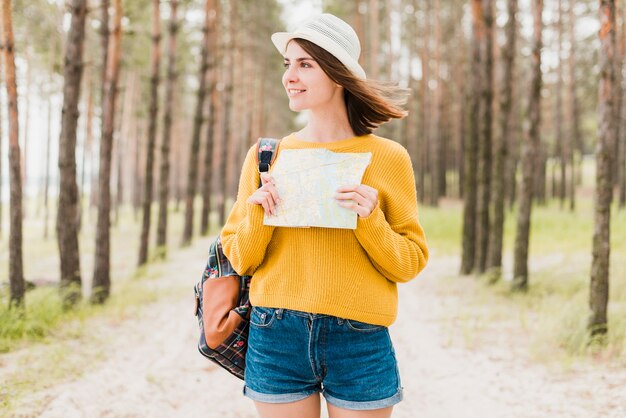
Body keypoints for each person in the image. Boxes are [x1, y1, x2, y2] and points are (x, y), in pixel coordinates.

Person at [221, 13, 428, 418]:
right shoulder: (267, 156)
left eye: (305, 64)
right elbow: (240, 258)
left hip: (359, 338)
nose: (289, 76)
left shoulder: (388, 159)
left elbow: (409, 263)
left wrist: (370, 220)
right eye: (287, 64)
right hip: (275, 333)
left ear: (337, 74)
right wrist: (261, 214)